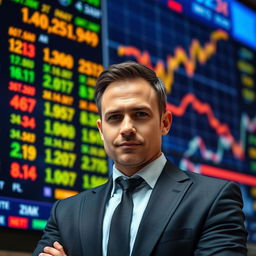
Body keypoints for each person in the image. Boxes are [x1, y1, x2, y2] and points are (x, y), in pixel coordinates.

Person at [33, 61, 247, 256]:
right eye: (115, 117)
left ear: (165, 123)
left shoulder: (213, 199)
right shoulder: (65, 213)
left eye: (140, 114)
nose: (127, 128)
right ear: (101, 130)